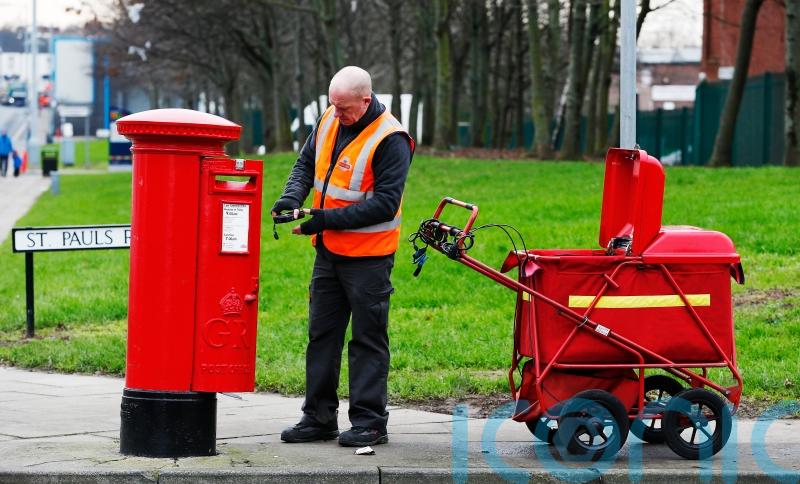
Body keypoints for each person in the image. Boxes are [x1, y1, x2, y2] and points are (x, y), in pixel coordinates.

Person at [273, 66, 414, 447]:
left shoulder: (391, 138)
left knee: (367, 340)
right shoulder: (330, 117)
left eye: (345, 109)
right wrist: (291, 197)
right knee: (322, 336)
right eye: (333, 106)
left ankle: (370, 423)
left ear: (366, 101)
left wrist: (323, 220)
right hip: (329, 252)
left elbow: (385, 205)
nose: (338, 115)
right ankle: (318, 417)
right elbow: (305, 164)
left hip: (370, 257)